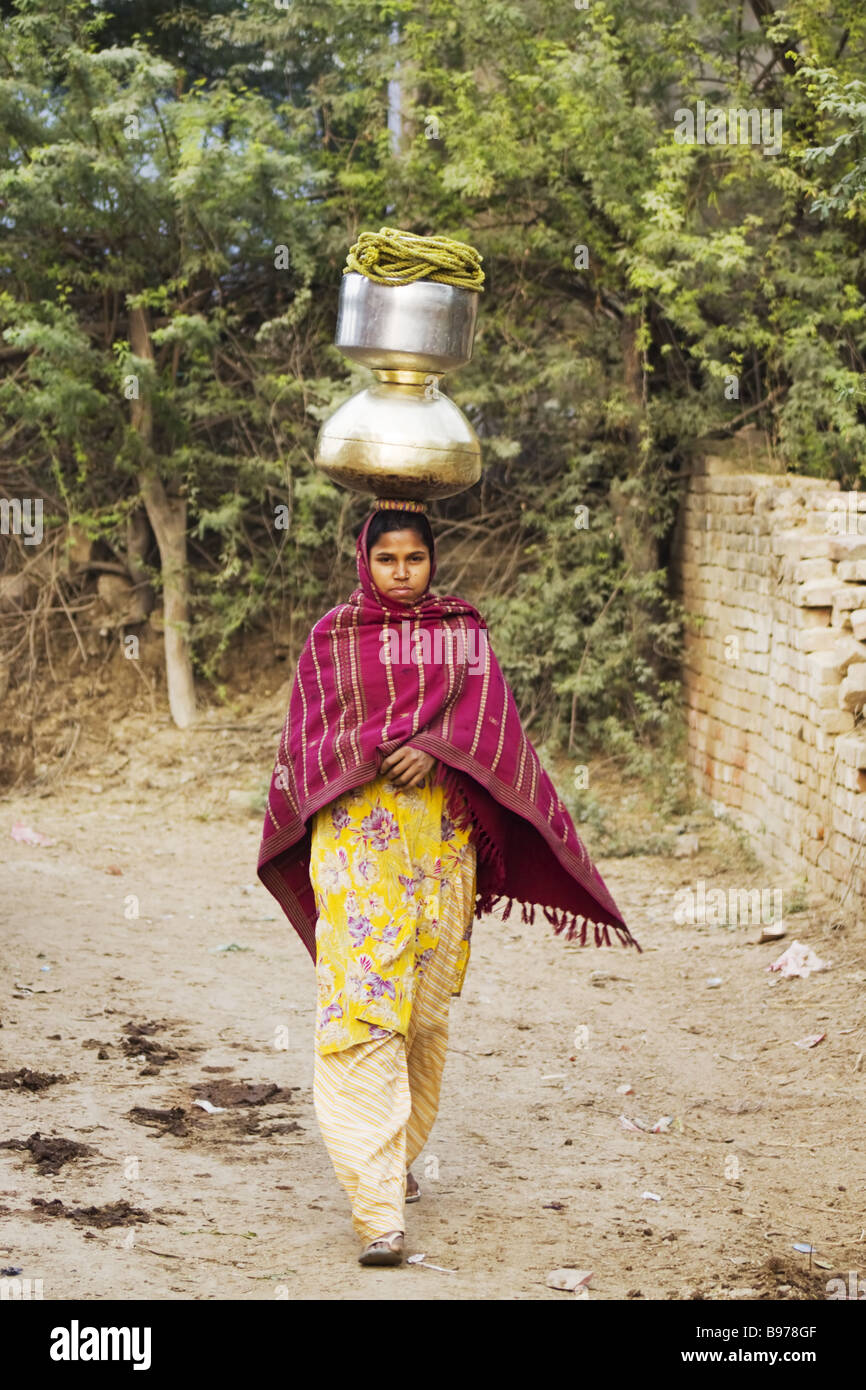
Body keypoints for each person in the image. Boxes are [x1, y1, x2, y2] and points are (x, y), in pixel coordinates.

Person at [257, 498, 639, 1266]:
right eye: (386, 559)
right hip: (358, 849)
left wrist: (436, 748)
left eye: (415, 559)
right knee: (361, 1007)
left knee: (423, 1015)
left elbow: (490, 727)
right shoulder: (332, 638)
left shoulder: (462, 634)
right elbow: (310, 739)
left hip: (439, 851)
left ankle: (394, 1153)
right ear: (363, 563)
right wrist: (366, 753)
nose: (401, 574)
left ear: (434, 562)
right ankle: (376, 1214)